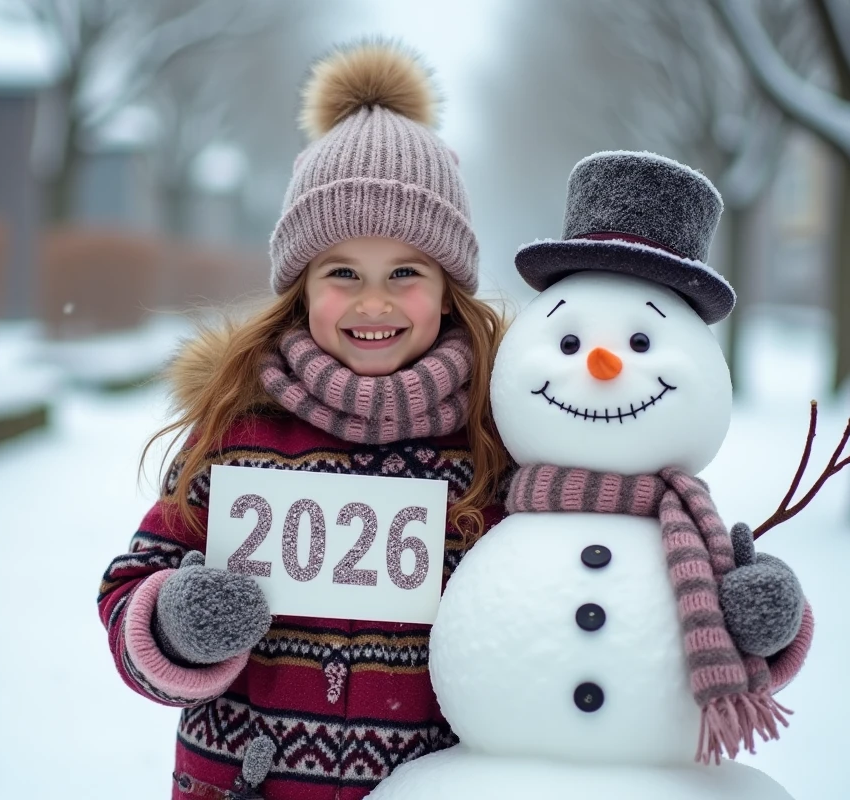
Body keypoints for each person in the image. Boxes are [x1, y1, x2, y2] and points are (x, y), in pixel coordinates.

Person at [97, 40, 508, 799]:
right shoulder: (240, 431)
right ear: (301, 286)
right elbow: (132, 585)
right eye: (342, 272)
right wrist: (176, 626)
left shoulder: (495, 445)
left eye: (406, 273)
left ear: (450, 289)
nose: (373, 303)